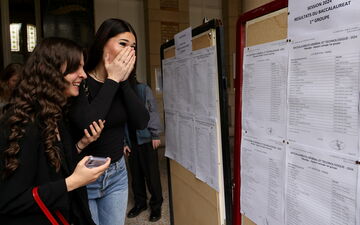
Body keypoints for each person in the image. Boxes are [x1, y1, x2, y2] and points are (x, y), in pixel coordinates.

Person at [0, 37, 110, 225]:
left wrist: (82, 144)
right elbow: (9, 202)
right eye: (76, 67)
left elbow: (49, 165)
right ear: (51, 71)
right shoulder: (22, 123)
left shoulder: (53, 113)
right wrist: (73, 182)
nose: (83, 74)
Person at [68, 18, 149, 225]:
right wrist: (112, 79)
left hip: (116, 174)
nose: (129, 51)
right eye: (123, 44)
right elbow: (88, 125)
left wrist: (121, 81)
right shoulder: (81, 79)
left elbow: (141, 121)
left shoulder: (124, 81)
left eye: (133, 47)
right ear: (103, 43)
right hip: (85, 175)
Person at [124, 81, 163, 222]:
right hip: (131, 141)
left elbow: (152, 110)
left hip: (146, 139)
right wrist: (124, 142)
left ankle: (156, 205)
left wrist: (155, 134)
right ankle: (140, 203)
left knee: (152, 175)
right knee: (136, 175)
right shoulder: (120, 89)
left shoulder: (143, 89)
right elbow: (121, 118)